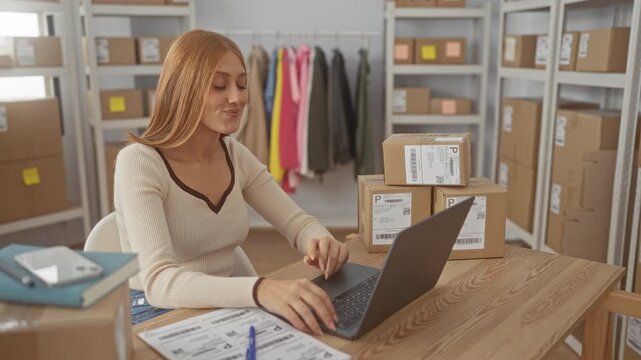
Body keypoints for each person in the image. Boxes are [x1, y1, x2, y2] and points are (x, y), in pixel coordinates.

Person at [113, 30, 349, 335]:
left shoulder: (235, 154)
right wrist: (261, 289)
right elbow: (159, 282)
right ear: (183, 88)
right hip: (156, 312)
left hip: (222, 304)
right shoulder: (139, 162)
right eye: (219, 85)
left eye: (241, 84)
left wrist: (322, 241)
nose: (237, 98)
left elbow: (298, 223)